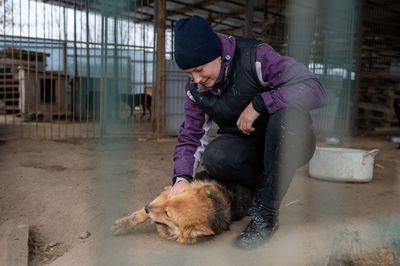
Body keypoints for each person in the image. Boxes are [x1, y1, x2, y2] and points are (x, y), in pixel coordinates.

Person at [168, 15, 327, 250]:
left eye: (199, 70)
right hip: (250, 145)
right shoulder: (196, 88)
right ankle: (260, 189)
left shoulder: (257, 58)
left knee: (283, 118)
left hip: (293, 140)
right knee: (215, 157)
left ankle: (267, 214)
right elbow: (191, 136)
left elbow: (316, 89)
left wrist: (261, 103)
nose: (197, 80)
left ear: (217, 55)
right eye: (189, 74)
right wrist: (182, 178)